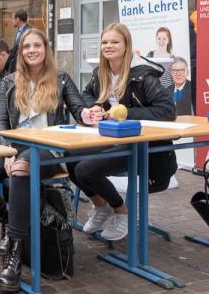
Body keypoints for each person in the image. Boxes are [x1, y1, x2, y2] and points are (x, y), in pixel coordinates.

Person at [0, 29, 93, 291]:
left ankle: (14, 254)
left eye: (37, 45)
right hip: (14, 147)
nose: (32, 50)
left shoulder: (61, 79)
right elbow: (2, 123)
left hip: (48, 149)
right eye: (27, 46)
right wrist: (6, 152)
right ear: (21, 51)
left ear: (46, 49)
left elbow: (79, 109)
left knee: (22, 168)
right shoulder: (9, 81)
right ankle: (8, 216)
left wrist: (89, 114)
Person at [68, 23, 177, 242]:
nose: (108, 46)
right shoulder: (101, 72)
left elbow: (167, 111)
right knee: (70, 157)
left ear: (126, 45)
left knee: (86, 170)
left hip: (145, 147)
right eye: (105, 42)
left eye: (114, 42)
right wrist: (95, 106)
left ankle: (121, 212)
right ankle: (102, 207)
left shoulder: (143, 75)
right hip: (114, 139)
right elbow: (86, 95)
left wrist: (126, 112)